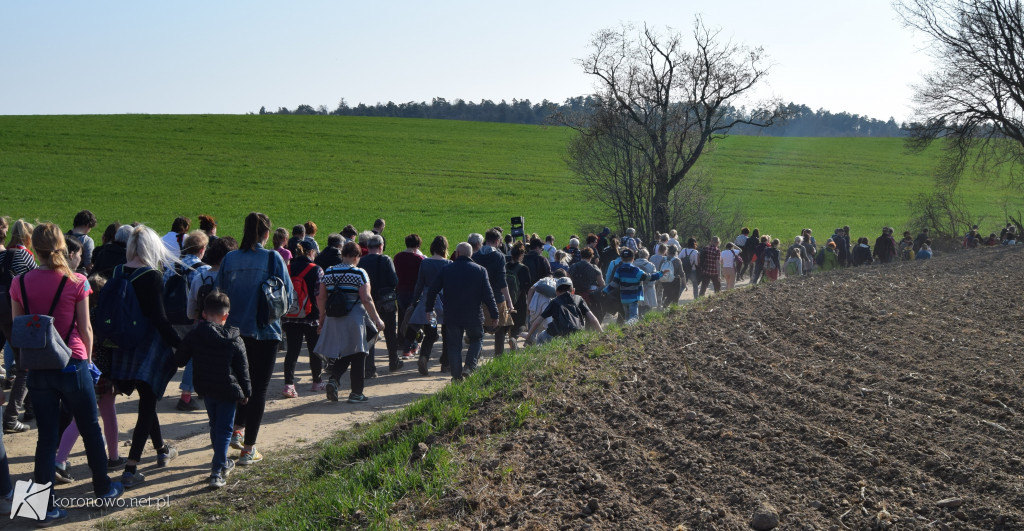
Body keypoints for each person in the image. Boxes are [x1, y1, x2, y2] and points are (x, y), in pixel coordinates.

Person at [10, 223, 123, 523]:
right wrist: (87, 360)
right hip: (72, 361)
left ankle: (38, 508)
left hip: (37, 366)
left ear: (34, 248)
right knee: (90, 428)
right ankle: (104, 488)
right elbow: (85, 328)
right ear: (62, 246)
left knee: (46, 437)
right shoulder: (76, 281)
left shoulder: (19, 283)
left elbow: (19, 328)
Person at [216, 212, 294, 467]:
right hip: (265, 331)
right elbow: (288, 296)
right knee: (258, 388)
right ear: (266, 234)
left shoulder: (230, 258)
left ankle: (236, 429)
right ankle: (249, 448)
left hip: (234, 331)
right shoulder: (272, 257)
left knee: (238, 384)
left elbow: (219, 294)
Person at [108, 225, 183, 488]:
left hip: (121, 345)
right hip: (147, 346)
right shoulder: (151, 275)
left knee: (147, 399)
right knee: (147, 404)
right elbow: (160, 319)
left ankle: (162, 450)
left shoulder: (118, 270)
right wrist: (180, 345)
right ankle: (131, 468)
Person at [173, 290, 251, 490]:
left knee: (215, 425)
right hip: (228, 390)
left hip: (206, 388)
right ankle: (218, 470)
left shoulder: (195, 335)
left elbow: (180, 359)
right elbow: (243, 369)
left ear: (204, 314)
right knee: (225, 429)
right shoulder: (235, 338)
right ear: (226, 315)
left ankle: (221, 462)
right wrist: (247, 392)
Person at [314, 241, 385, 402]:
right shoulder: (360, 273)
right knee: (359, 353)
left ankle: (334, 379)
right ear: (355, 256)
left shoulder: (330, 272)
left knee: (344, 352)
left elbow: (321, 297)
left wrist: (322, 318)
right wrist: (377, 319)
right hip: (354, 318)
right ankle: (356, 393)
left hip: (333, 318)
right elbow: (366, 298)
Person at [425, 242, 498, 381]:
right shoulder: (481, 270)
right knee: (477, 339)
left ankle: (456, 376)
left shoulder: (447, 269)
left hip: (452, 315)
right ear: (471, 254)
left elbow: (432, 290)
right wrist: (494, 314)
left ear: (457, 253)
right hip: (474, 315)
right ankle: (469, 367)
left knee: (454, 346)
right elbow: (488, 295)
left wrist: (429, 309)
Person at [165, 230, 212, 412]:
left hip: (171, 317)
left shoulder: (171, 267)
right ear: (202, 249)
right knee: (195, 353)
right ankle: (186, 395)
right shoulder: (203, 269)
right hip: (192, 318)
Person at [1, 219, 37, 434]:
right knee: (26, 365)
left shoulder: (2, 255)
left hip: (2, 315)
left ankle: (31, 407)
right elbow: (37, 277)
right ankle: (12, 416)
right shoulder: (24, 256)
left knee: (25, 361)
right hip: (20, 315)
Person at [281, 242, 324, 398]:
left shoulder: (287, 268)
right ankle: (317, 382)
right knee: (314, 351)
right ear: (311, 252)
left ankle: (288, 385)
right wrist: (322, 316)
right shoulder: (316, 269)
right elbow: (319, 295)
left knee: (292, 351)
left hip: (290, 316)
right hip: (311, 317)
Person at [358, 234, 402, 374]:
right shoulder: (386, 260)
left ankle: (369, 368)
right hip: (386, 302)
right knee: (389, 333)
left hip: (367, 302)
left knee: (370, 334)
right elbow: (394, 281)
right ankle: (393, 361)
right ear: (381, 246)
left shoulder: (361, 261)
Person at [408, 236, 451, 375]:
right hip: (445, 304)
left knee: (431, 334)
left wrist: (414, 302)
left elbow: (419, 285)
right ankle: (445, 363)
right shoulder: (449, 263)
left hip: (429, 305)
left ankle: (424, 356)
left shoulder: (425, 263)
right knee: (446, 333)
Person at [473, 229, 514, 357]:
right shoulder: (499, 256)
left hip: (478, 298)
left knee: (479, 329)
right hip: (497, 296)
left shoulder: (475, 255)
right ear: (497, 241)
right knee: (501, 327)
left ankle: (475, 357)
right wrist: (510, 302)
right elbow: (502, 281)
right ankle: (498, 357)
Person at [525, 278, 603, 344]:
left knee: (540, 337)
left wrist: (528, 336)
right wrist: (602, 333)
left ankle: (542, 357)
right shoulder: (579, 299)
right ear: (573, 290)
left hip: (560, 334)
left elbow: (538, 321)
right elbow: (592, 319)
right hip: (578, 332)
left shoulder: (555, 302)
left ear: (557, 292)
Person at [604, 248, 662, 324]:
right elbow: (648, 278)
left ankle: (626, 329)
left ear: (621, 258)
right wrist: (660, 274)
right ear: (633, 258)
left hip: (624, 298)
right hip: (634, 297)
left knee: (627, 316)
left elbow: (614, 284)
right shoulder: (636, 270)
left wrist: (605, 290)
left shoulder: (619, 270)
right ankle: (628, 326)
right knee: (634, 317)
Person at [393, 234, 424, 359]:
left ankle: (411, 345)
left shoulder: (397, 257)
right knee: (413, 321)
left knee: (406, 319)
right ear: (418, 245)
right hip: (414, 293)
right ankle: (409, 347)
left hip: (400, 292)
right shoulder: (419, 259)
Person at [66, 209, 98, 274]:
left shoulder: (61, 237)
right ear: (87, 225)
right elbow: (88, 264)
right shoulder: (87, 241)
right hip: (78, 275)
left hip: (59, 273)